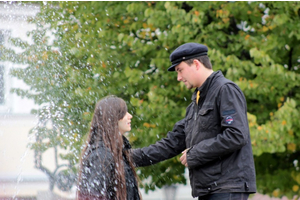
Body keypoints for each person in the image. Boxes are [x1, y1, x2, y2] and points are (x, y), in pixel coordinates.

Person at [131, 42, 256, 200]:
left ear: (196, 64)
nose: (178, 78)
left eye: (180, 70)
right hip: (209, 189)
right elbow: (171, 143)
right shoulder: (195, 105)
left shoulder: (225, 90)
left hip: (227, 188)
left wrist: (195, 153)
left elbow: (236, 135)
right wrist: (129, 157)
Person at [77, 96, 141, 200]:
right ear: (113, 117)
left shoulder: (118, 153)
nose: (130, 116)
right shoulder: (102, 156)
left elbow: (152, 153)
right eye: (124, 113)